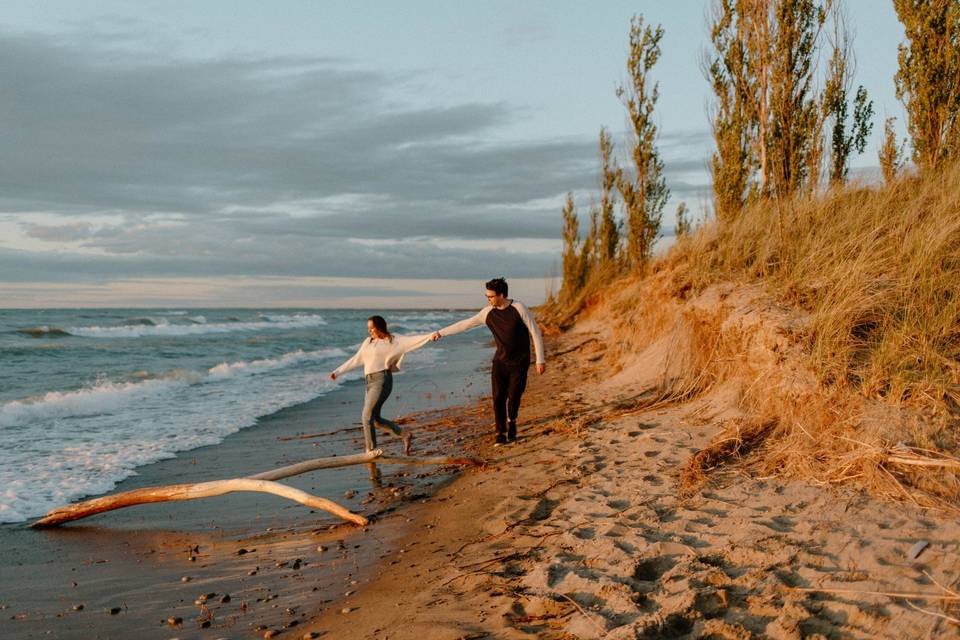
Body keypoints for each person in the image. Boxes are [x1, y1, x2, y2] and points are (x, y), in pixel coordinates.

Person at [432, 277, 545, 445]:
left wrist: (540, 360)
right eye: (487, 296)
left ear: (501, 295)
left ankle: (511, 420)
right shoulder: (487, 313)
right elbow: (465, 324)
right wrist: (441, 333)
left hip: (520, 361)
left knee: (514, 396)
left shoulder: (518, 308)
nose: (488, 299)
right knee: (498, 397)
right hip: (500, 361)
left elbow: (535, 332)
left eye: (491, 296)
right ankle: (500, 432)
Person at [330, 315, 433, 455]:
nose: (370, 331)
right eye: (368, 328)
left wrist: (431, 336)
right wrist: (338, 371)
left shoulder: (393, 340)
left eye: (372, 328)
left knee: (366, 415)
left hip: (382, 380)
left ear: (380, 327)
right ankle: (404, 435)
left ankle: (371, 449)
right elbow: (356, 359)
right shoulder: (368, 341)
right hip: (369, 381)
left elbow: (413, 340)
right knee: (376, 420)